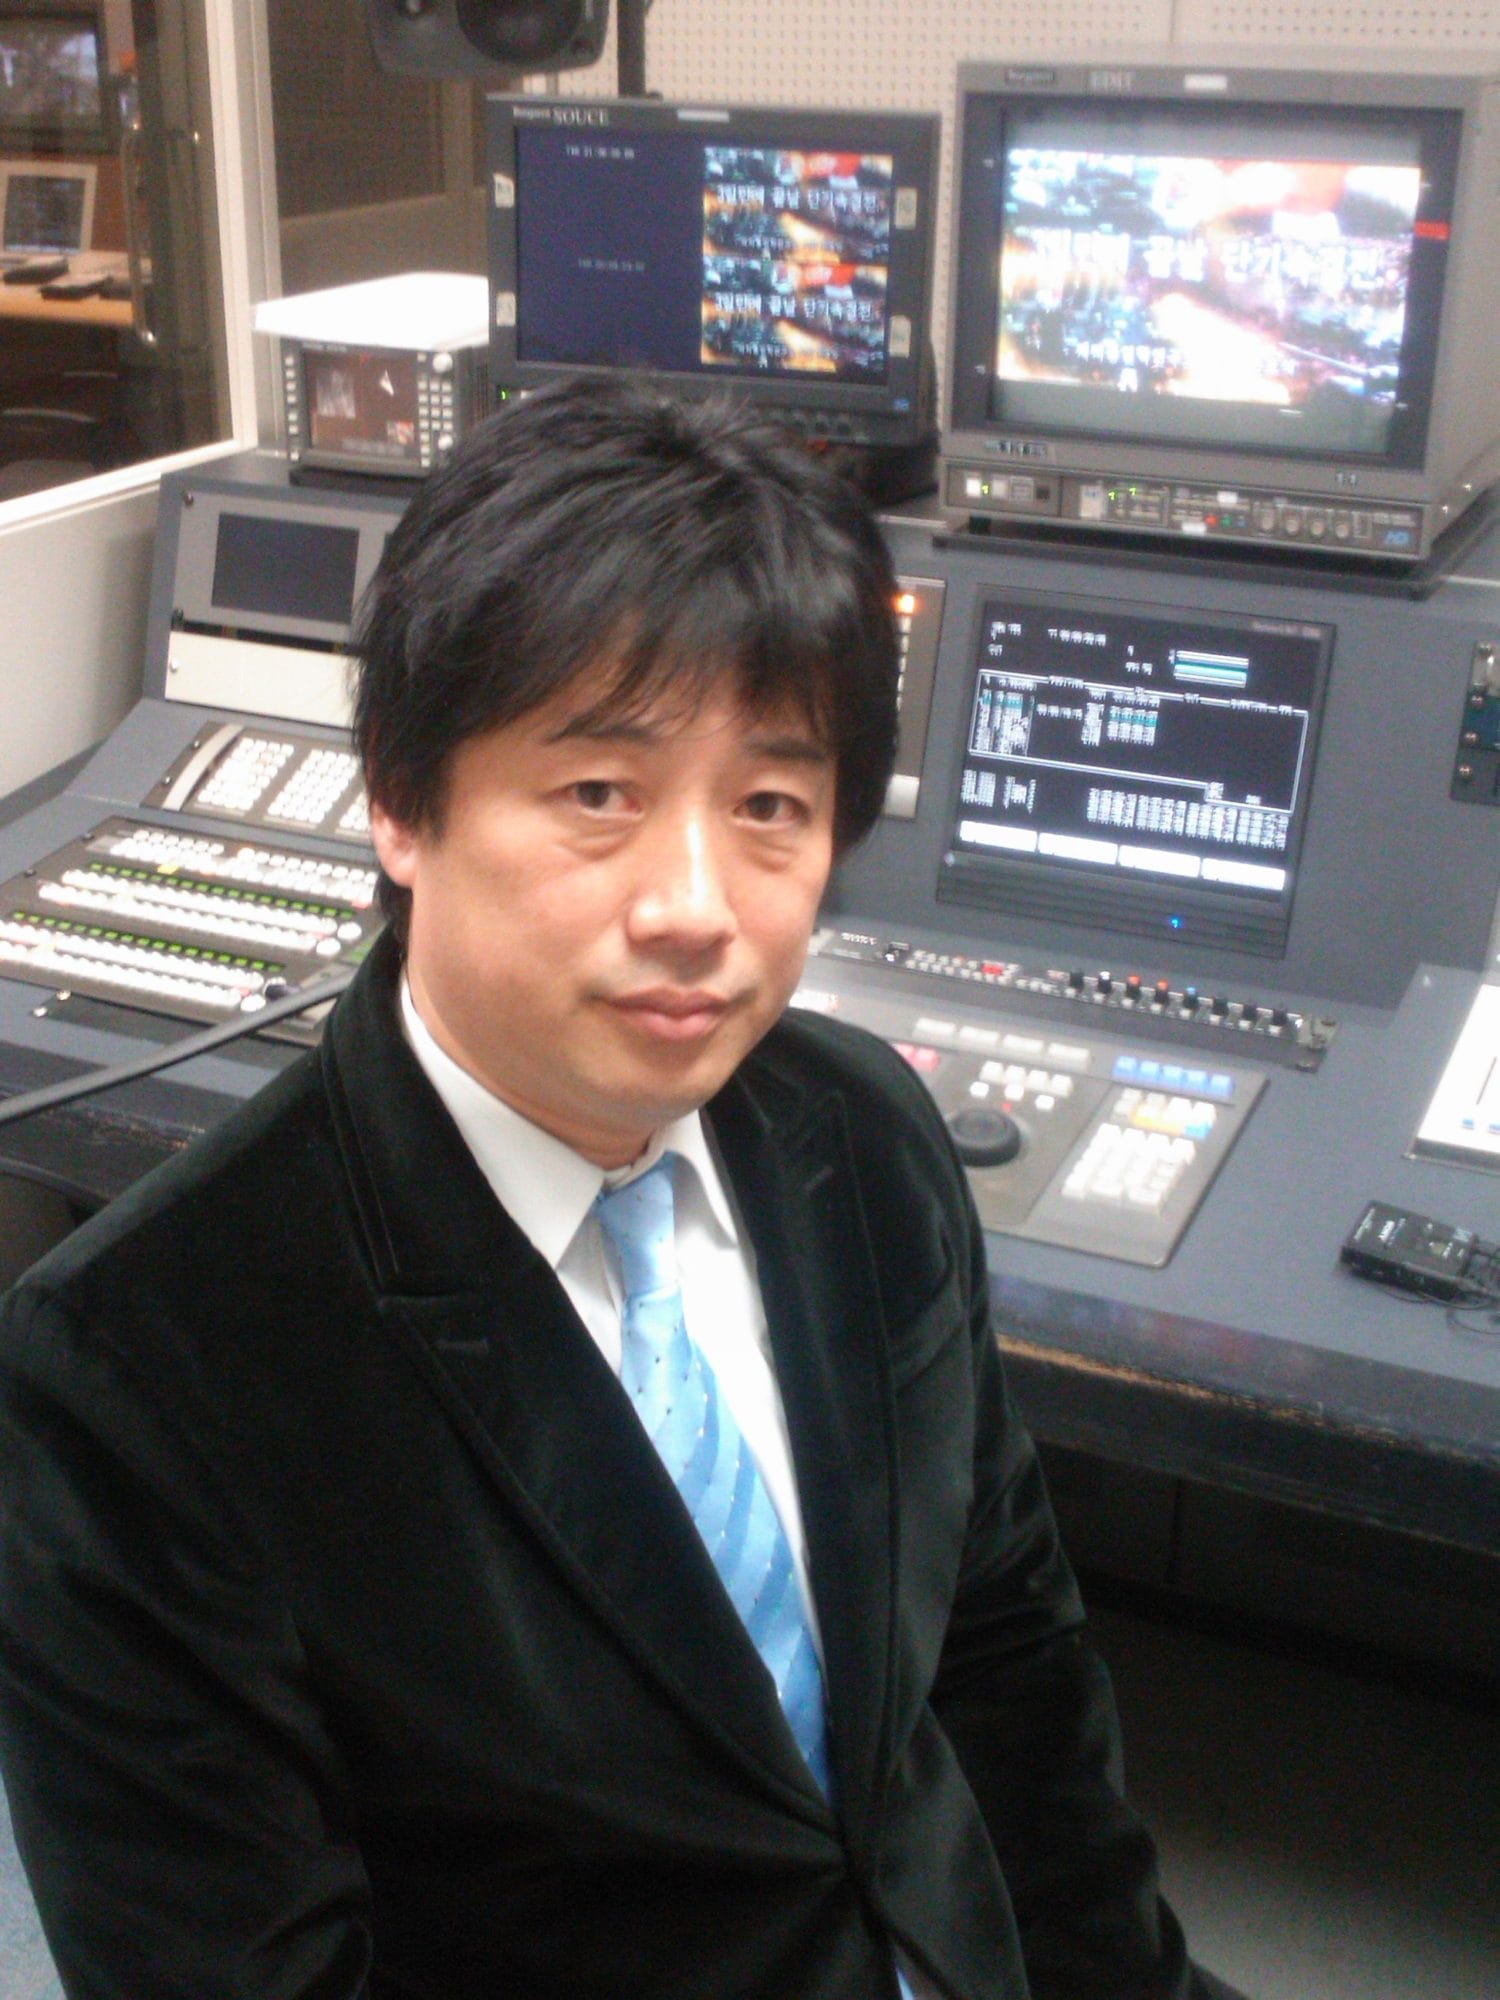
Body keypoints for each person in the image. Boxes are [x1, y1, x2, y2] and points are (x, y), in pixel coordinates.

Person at [0, 378, 1234, 2000]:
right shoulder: (140, 1369)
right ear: (401, 802)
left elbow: (1004, 1656)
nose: (695, 907)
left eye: (770, 806)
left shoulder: (864, 1136)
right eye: (600, 794)